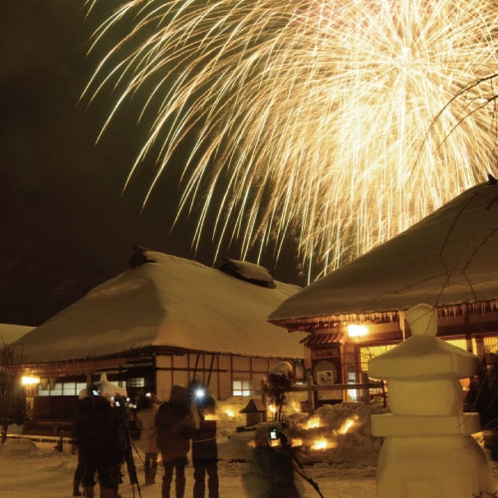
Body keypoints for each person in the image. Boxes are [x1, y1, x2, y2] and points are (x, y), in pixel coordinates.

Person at [75, 385, 123, 498]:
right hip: (104, 445)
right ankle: (106, 495)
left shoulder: (82, 408)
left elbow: (78, 427)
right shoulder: (105, 407)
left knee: (89, 472)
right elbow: (113, 426)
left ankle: (89, 494)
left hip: (87, 445)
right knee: (104, 473)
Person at [242, 424, 302, 498]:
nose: (263, 441)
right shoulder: (257, 459)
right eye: (261, 438)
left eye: (265, 438)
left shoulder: (274, 455)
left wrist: (285, 447)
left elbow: (288, 475)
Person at [156, 385, 195, 498]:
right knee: (180, 475)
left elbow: (157, 423)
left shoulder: (163, 408)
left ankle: (166, 495)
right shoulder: (184, 410)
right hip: (180, 448)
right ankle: (179, 495)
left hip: (166, 448)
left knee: (167, 475)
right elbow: (190, 432)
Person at [191, 395, 219, 498]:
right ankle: (214, 496)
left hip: (199, 448)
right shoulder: (211, 415)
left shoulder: (196, 416)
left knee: (200, 477)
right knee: (212, 476)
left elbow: (193, 431)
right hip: (211, 448)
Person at [136, 393, 160, 485]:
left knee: (147, 457)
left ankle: (147, 477)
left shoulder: (139, 413)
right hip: (155, 433)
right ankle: (152, 478)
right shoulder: (156, 409)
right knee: (154, 457)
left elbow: (139, 426)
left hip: (145, 434)